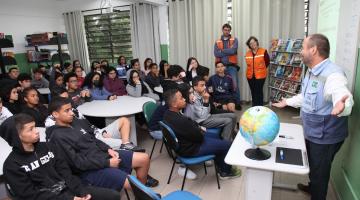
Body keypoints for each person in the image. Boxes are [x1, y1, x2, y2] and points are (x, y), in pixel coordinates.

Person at [272, 34, 354, 200]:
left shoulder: (333, 74)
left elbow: (342, 94)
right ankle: (313, 187)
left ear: (314, 50)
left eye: (303, 48)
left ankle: (317, 194)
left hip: (325, 136)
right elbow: (306, 96)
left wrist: (342, 105)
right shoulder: (311, 71)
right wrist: (287, 101)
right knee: (313, 165)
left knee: (320, 172)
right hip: (313, 132)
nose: (300, 51)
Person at [46, 97, 159, 191]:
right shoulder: (57, 136)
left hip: (101, 155)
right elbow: (78, 163)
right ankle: (142, 193)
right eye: (67, 111)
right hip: (91, 169)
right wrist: (107, 163)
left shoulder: (74, 122)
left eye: (71, 109)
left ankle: (141, 195)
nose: (72, 113)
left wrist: (108, 149)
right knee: (134, 185)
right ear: (55, 114)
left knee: (144, 158)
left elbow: (92, 137)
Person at [0, 114, 120, 200]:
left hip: (69, 189)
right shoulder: (12, 166)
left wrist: (81, 191)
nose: (36, 131)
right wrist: (70, 198)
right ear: (16, 136)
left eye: (35, 127)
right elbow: (31, 195)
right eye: (30, 129)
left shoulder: (48, 146)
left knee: (113, 196)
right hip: (49, 197)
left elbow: (66, 172)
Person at [163, 89, 241, 179]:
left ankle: (220, 163)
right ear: (174, 104)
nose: (184, 99)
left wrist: (199, 129)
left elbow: (192, 128)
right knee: (227, 145)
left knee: (216, 138)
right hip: (191, 149)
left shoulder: (167, 114)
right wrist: (200, 131)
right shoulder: (180, 121)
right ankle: (225, 173)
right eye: (181, 98)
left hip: (184, 145)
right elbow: (199, 137)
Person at [46, 87, 145, 152]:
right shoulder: (51, 122)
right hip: (91, 141)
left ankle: (126, 145)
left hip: (96, 133)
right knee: (126, 146)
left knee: (124, 120)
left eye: (68, 98)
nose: (68, 101)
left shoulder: (73, 111)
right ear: (56, 101)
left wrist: (101, 132)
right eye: (63, 99)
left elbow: (88, 125)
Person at [184, 76, 237, 141]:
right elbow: (202, 116)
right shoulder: (193, 98)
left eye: (204, 85)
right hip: (201, 121)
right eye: (202, 85)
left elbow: (208, 110)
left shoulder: (202, 93)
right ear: (195, 87)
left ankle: (229, 134)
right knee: (228, 121)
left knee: (233, 115)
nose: (205, 87)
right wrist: (206, 101)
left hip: (207, 116)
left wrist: (206, 101)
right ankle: (226, 143)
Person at [214, 23, 241, 110]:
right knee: (222, 85)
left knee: (234, 85)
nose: (227, 31)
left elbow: (233, 51)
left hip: (232, 66)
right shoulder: (217, 41)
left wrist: (222, 51)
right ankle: (225, 102)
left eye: (228, 30)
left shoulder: (234, 40)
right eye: (225, 30)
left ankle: (237, 103)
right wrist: (227, 51)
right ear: (222, 30)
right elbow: (216, 53)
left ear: (230, 31)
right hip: (221, 67)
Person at [245, 36, 270, 106]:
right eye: (250, 43)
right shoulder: (247, 53)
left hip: (261, 75)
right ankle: (254, 106)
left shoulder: (263, 51)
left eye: (254, 42)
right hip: (250, 76)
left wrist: (261, 69)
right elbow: (248, 64)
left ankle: (259, 106)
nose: (253, 44)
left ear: (256, 42)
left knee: (258, 91)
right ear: (249, 45)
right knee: (253, 91)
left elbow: (267, 62)